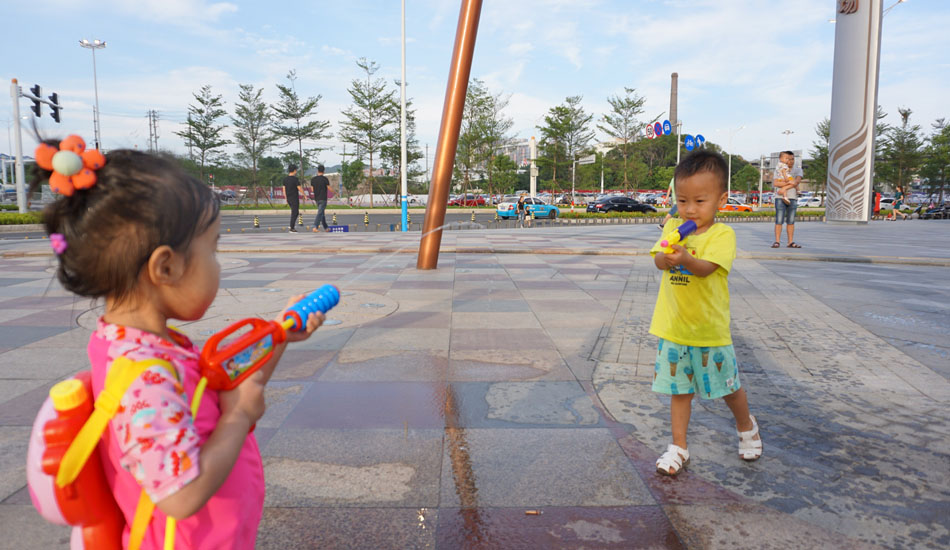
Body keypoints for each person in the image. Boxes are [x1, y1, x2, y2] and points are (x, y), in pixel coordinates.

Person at [32, 141, 325, 549]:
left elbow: (226, 387)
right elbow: (181, 496)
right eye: (213, 248)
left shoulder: (141, 345)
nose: (217, 264)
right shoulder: (146, 376)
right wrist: (239, 416)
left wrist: (279, 336)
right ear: (166, 266)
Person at [649, 150, 762, 476]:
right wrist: (666, 257)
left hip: (709, 331)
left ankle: (746, 426)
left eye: (700, 201)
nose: (690, 210)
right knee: (679, 391)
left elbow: (706, 268)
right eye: (683, 201)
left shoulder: (722, 235)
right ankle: (678, 446)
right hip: (673, 328)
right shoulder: (673, 225)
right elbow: (658, 260)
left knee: (728, 387)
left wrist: (684, 258)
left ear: (721, 200)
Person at [772, 151, 802, 248]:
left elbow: (796, 182)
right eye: (788, 159)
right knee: (779, 220)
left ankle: (790, 242)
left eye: (792, 159)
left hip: (792, 198)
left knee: (791, 221)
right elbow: (776, 183)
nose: (790, 161)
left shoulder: (798, 170)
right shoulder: (778, 169)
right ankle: (777, 241)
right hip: (780, 198)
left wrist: (784, 188)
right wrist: (789, 183)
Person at [310, 164, 330, 232]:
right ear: (323, 171)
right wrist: (336, 193)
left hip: (317, 198)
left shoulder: (313, 179)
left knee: (321, 213)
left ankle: (326, 227)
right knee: (320, 212)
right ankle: (315, 226)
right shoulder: (325, 179)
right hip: (323, 198)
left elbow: (312, 189)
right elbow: (328, 187)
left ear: (317, 170)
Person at [283, 164, 302, 232]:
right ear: (294, 170)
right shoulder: (295, 179)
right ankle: (292, 227)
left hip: (289, 198)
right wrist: (304, 195)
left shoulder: (285, 179)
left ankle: (292, 226)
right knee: (295, 212)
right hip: (294, 198)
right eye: (296, 170)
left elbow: (284, 189)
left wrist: (286, 198)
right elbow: (299, 188)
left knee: (295, 212)